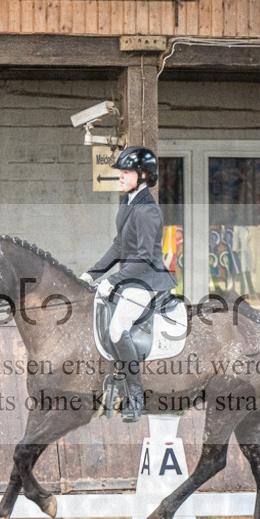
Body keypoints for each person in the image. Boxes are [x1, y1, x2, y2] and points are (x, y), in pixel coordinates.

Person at [80, 146, 176, 423]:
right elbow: (120, 246)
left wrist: (112, 280)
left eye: (126, 172)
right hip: (130, 277)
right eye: (120, 172)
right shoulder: (127, 203)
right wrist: (92, 274)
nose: (120, 176)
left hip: (147, 279)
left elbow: (145, 259)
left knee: (118, 327)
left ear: (143, 175)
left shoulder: (147, 211)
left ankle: (135, 398)